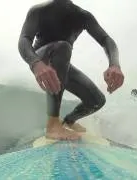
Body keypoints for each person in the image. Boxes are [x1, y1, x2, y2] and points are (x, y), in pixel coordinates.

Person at [18, 0, 124, 140]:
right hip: (41, 58)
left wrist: (114, 65)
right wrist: (36, 64)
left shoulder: (83, 16)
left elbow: (106, 40)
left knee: (96, 100)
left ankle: (68, 121)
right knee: (63, 47)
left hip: (62, 60)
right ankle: (53, 124)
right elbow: (24, 40)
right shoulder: (38, 11)